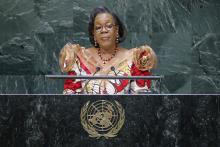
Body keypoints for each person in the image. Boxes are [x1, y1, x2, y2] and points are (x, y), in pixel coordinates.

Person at [59, 6, 157, 94]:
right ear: (93, 33)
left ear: (117, 30)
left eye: (109, 26)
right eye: (98, 28)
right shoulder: (79, 58)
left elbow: (142, 99)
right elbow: (70, 98)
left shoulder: (135, 58)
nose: (104, 30)